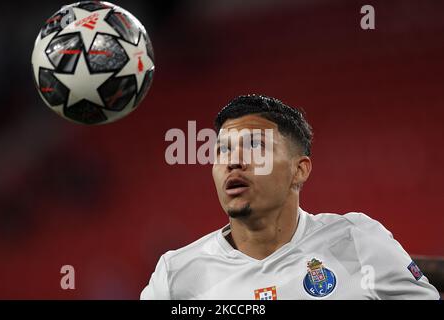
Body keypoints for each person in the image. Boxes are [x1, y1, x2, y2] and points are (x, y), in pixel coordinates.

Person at [140, 94, 439, 300]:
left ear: (299, 170)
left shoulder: (356, 240)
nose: (233, 161)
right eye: (223, 150)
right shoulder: (176, 274)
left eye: (254, 147)